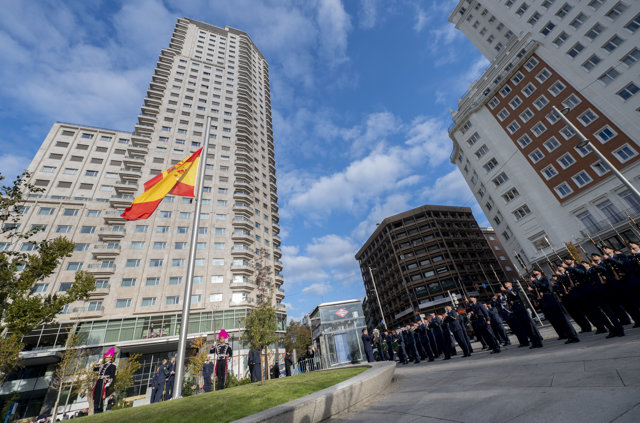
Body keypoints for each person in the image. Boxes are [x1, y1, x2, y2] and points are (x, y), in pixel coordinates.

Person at [530, 269, 580, 344]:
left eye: (535, 272)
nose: (534, 274)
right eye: (533, 273)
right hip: (546, 302)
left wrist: (536, 281)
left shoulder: (545, 278)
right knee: (557, 320)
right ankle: (568, 336)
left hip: (551, 299)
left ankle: (573, 335)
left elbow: (545, 286)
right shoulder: (536, 282)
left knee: (562, 318)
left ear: (539, 272)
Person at [93, 347, 116, 413]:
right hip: (99, 381)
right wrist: (99, 362)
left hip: (104, 382)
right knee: (96, 395)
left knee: (101, 396)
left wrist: (108, 384)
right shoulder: (102, 365)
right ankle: (95, 408)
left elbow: (112, 376)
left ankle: (99, 409)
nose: (105, 358)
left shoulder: (112, 366)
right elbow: (94, 369)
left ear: (110, 357)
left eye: (106, 357)